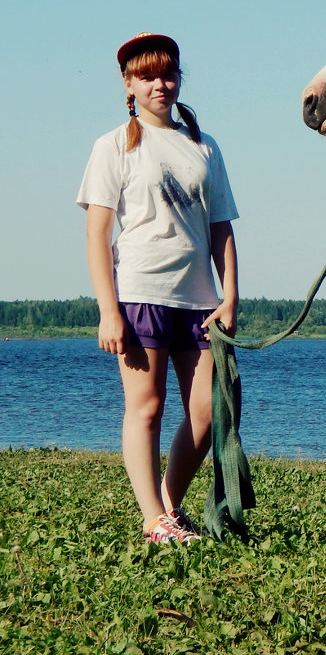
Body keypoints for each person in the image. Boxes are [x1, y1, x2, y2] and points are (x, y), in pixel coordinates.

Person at [77, 33, 239, 544]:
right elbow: (97, 233)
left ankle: (169, 505)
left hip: (199, 300)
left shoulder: (203, 145)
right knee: (146, 407)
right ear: (129, 83)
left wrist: (230, 294)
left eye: (167, 74)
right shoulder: (113, 145)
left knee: (210, 413)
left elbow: (221, 227)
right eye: (146, 76)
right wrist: (109, 310)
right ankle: (153, 520)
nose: (159, 85)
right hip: (140, 294)